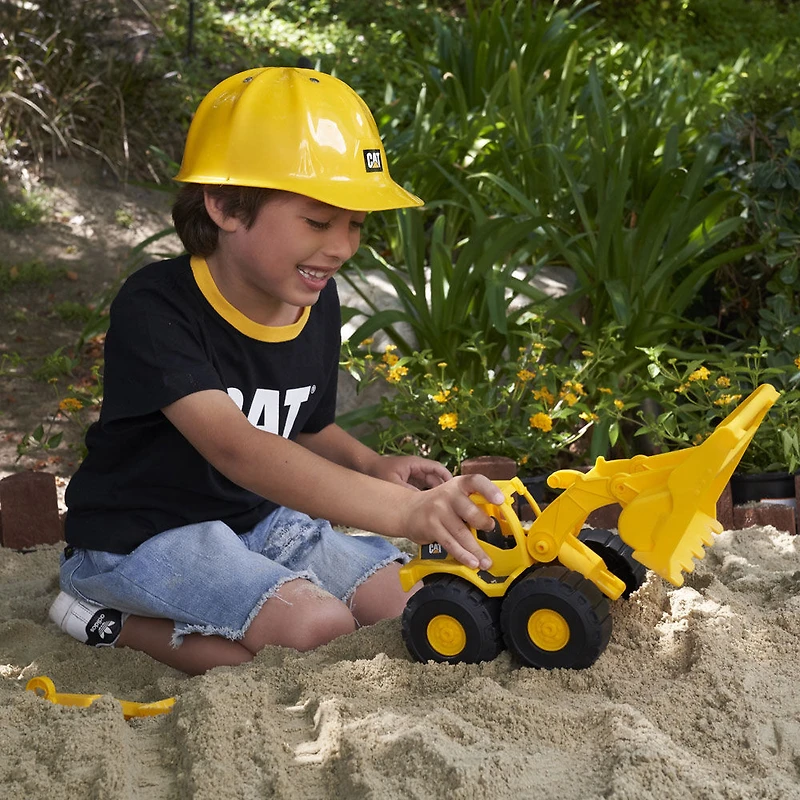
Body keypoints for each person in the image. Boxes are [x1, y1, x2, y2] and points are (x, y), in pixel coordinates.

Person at [49, 66, 503, 675]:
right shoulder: (157, 308)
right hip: (141, 539)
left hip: (259, 521)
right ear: (226, 204)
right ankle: (103, 620)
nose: (341, 247)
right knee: (316, 628)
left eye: (355, 226)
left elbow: (303, 427)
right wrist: (405, 514)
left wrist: (371, 465)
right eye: (318, 222)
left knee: (411, 599)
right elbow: (240, 449)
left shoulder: (312, 299)